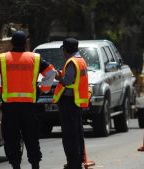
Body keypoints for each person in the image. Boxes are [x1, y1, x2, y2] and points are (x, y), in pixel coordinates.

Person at [0, 30, 56, 169]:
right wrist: (43, 89)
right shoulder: (35, 58)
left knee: (12, 138)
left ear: (12, 43)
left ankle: (16, 166)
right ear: (25, 43)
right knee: (31, 137)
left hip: (10, 107)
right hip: (29, 107)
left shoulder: (3, 58)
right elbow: (51, 72)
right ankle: (35, 165)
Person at [52, 38, 90, 169]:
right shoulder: (81, 60)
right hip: (76, 102)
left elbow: (67, 81)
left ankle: (73, 163)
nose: (62, 52)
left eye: (63, 49)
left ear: (66, 49)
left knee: (70, 135)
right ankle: (78, 160)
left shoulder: (72, 62)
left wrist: (58, 77)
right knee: (77, 133)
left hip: (69, 102)